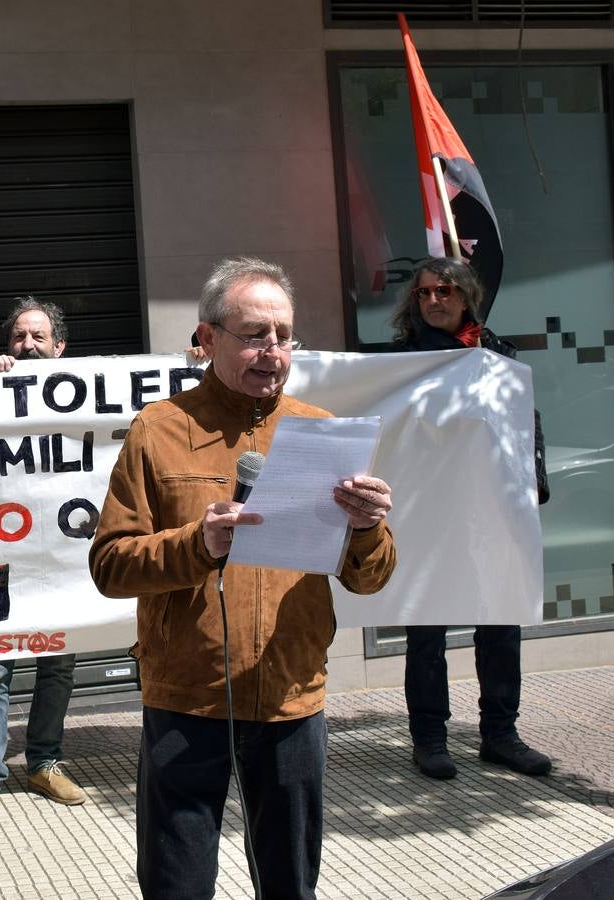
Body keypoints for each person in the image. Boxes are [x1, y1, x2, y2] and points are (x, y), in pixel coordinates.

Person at [89, 258, 397, 899]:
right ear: (207, 340)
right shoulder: (158, 430)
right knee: (177, 884)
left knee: (291, 885)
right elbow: (110, 565)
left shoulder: (320, 432)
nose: (274, 352)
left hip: (289, 692)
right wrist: (196, 544)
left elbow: (369, 579)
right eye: (255, 334)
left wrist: (366, 528)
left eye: (284, 335)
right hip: (186, 695)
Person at [391, 257, 553, 780]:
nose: (434, 300)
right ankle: (431, 739)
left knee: (501, 623)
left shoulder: (495, 352)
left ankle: (500, 736)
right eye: (424, 293)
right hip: (430, 516)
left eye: (444, 291)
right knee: (427, 633)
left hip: (490, 512)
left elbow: (526, 420)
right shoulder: (398, 364)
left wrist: (533, 486)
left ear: (465, 296)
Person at [0, 296, 85, 831]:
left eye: (38, 337)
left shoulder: (87, 394)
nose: (27, 346)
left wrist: (195, 364)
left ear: (59, 348)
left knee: (60, 666)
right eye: (18, 338)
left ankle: (44, 763)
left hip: (60, 558)